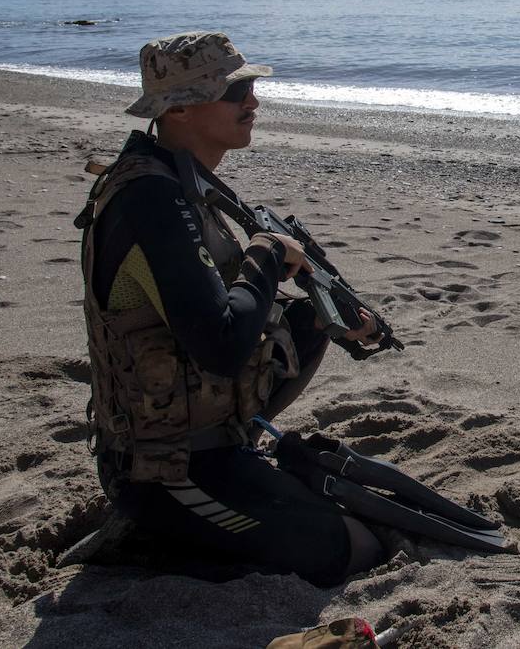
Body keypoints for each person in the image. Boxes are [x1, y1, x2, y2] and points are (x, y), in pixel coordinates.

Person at [76, 31, 382, 585]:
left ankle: (238, 456)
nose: (253, 103)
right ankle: (152, 539)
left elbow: (228, 312)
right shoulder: (151, 199)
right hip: (161, 468)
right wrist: (265, 255)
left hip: (208, 438)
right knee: (345, 548)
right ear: (182, 108)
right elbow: (220, 346)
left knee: (308, 316)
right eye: (234, 90)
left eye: (250, 88)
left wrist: (335, 311)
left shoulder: (181, 182)